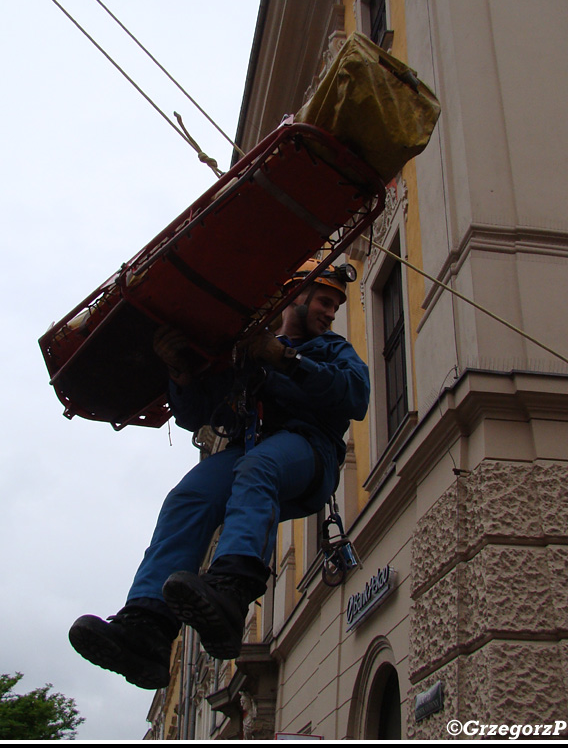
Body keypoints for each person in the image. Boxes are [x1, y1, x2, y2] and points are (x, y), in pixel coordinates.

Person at [68, 259, 370, 689]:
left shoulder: (332, 350)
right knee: (189, 496)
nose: (329, 313)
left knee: (258, 466)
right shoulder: (244, 354)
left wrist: (286, 361)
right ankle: (147, 627)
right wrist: (180, 370)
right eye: (323, 301)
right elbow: (196, 415)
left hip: (309, 451)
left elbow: (354, 395)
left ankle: (232, 590)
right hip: (251, 448)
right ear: (293, 298)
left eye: (335, 306)